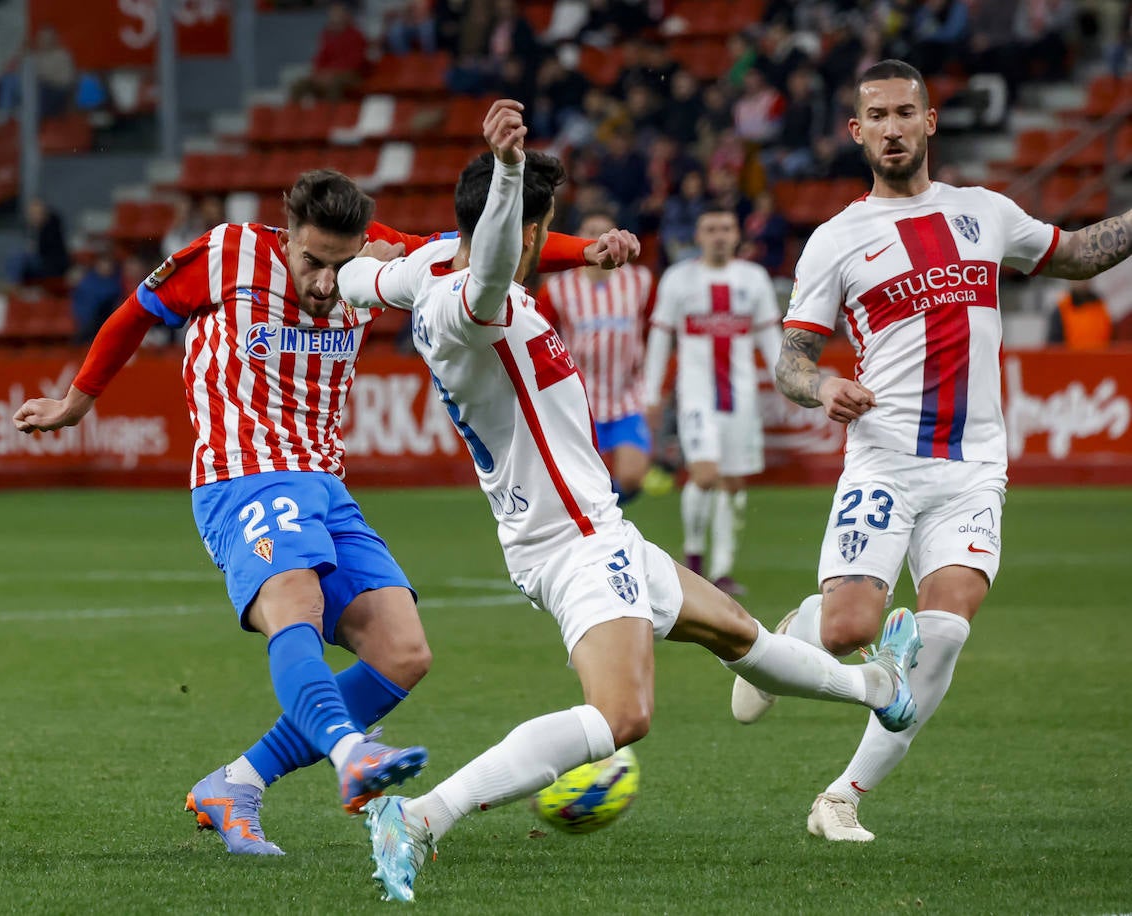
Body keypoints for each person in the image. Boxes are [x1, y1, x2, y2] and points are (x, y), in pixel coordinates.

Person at [337, 100, 922, 904]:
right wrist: (511, 173)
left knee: (736, 631)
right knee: (623, 717)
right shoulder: (465, 308)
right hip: (575, 542)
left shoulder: (425, 265)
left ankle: (880, 689)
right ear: (524, 230)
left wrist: (345, 276)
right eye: (543, 229)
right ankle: (422, 816)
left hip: (593, 528)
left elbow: (362, 272)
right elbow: (491, 264)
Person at [12, 167, 634, 856]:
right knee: (295, 601)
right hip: (241, 474)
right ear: (286, 235)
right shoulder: (226, 254)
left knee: (402, 654)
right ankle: (350, 755)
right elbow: (136, 313)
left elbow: (476, 252)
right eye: (312, 261)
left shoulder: (383, 256)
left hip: (325, 484)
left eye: (340, 265)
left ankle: (238, 783)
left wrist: (587, 251)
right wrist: (78, 400)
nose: (324, 282)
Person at [730, 58, 1132, 842]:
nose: (890, 128)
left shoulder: (984, 212)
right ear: (855, 131)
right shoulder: (837, 240)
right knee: (851, 628)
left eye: (903, 114)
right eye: (874, 116)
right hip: (883, 457)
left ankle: (841, 796)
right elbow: (791, 362)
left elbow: (1079, 253)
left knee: (946, 628)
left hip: (974, 465)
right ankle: (794, 634)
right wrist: (823, 389)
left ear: (929, 122)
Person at [644, 208, 782, 595]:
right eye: (710, 229)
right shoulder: (679, 279)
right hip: (696, 396)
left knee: (733, 482)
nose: (719, 235)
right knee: (704, 475)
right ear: (698, 236)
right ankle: (693, 561)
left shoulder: (753, 279)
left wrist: (786, 380)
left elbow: (770, 339)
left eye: (726, 228)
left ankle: (721, 571)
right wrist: (652, 392)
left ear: (737, 234)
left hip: (741, 397)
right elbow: (660, 338)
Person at [536, 210, 655, 502]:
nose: (598, 238)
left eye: (605, 231)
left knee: (632, 476)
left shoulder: (640, 282)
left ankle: (609, 509)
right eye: (591, 230)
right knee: (586, 482)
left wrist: (654, 389)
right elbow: (539, 335)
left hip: (628, 396)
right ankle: (603, 519)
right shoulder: (557, 288)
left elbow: (655, 333)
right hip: (580, 399)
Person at [1046, 278, 1112, 349]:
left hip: (1101, 359)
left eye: (1086, 277)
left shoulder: (1101, 306)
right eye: (1077, 278)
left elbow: (1112, 338)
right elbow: (1054, 347)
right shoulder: (1061, 310)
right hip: (1072, 359)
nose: (1082, 282)